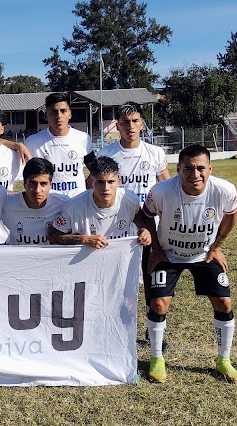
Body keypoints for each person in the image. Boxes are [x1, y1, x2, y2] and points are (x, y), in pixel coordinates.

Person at [142, 144, 237, 384]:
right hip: (169, 254)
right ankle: (157, 360)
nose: (194, 174)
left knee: (224, 302)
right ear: (178, 169)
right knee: (158, 303)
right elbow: (145, 215)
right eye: (188, 168)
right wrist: (156, 249)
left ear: (210, 168)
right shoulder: (162, 191)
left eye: (200, 168)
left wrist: (217, 246)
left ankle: (223, 361)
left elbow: (233, 213)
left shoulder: (224, 190)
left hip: (204, 254)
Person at [97, 102, 171, 348]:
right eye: (125, 122)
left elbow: (167, 188)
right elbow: (95, 188)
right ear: (117, 125)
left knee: (152, 280)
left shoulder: (155, 153)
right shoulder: (106, 154)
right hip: (117, 228)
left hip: (149, 227)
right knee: (117, 281)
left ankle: (153, 330)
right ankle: (116, 328)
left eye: (135, 121)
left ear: (142, 123)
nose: (130, 126)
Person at [48, 156, 151, 249]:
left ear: (118, 182)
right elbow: (53, 236)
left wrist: (144, 231)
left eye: (111, 182)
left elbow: (141, 221)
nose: (106, 188)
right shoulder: (73, 207)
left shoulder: (130, 199)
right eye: (100, 182)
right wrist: (84, 240)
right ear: (90, 182)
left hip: (118, 262)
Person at [24, 92, 93, 198]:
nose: (59, 116)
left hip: (76, 202)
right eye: (54, 112)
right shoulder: (33, 142)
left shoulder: (83, 139)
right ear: (46, 115)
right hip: (48, 204)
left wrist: (85, 186)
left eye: (63, 111)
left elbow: (95, 169)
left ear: (70, 114)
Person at [1, 157, 69, 245]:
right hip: (18, 258)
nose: (37, 190)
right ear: (24, 183)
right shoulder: (7, 204)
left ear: (50, 184)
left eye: (43, 184)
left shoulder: (64, 204)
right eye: (32, 183)